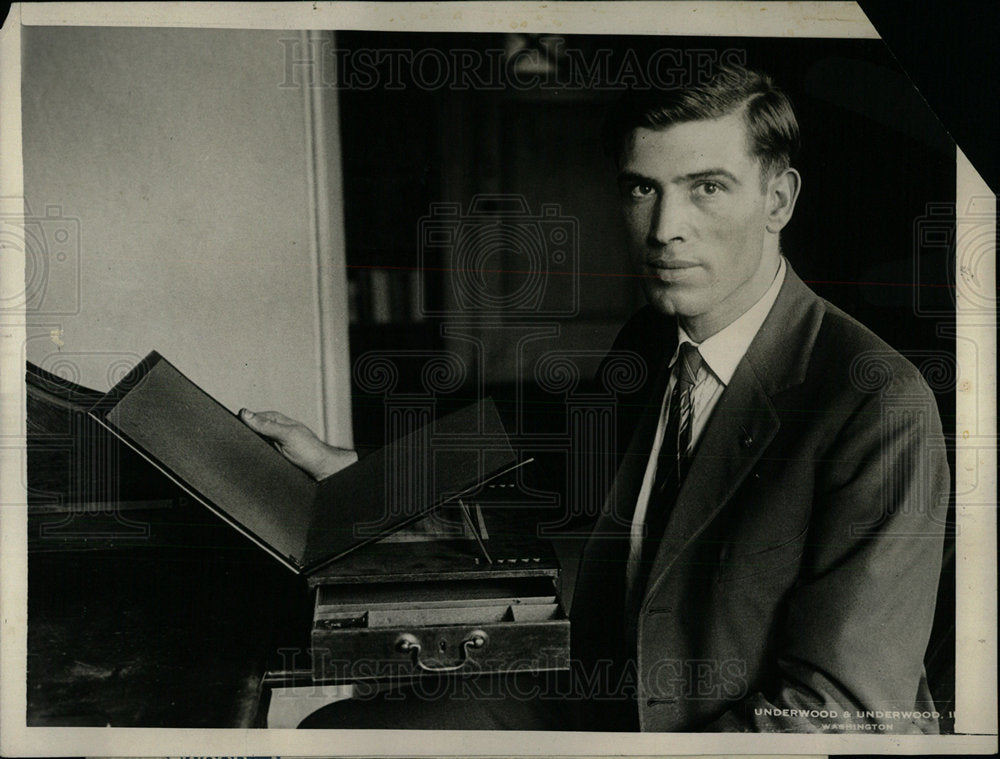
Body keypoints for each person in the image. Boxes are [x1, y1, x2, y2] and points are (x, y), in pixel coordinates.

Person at [243, 64, 950, 733]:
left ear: (778, 200)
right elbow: (545, 459)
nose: (666, 227)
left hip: (725, 732)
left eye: (707, 187)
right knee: (335, 732)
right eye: (643, 188)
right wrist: (354, 470)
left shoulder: (874, 403)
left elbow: (842, 712)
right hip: (609, 695)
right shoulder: (652, 340)